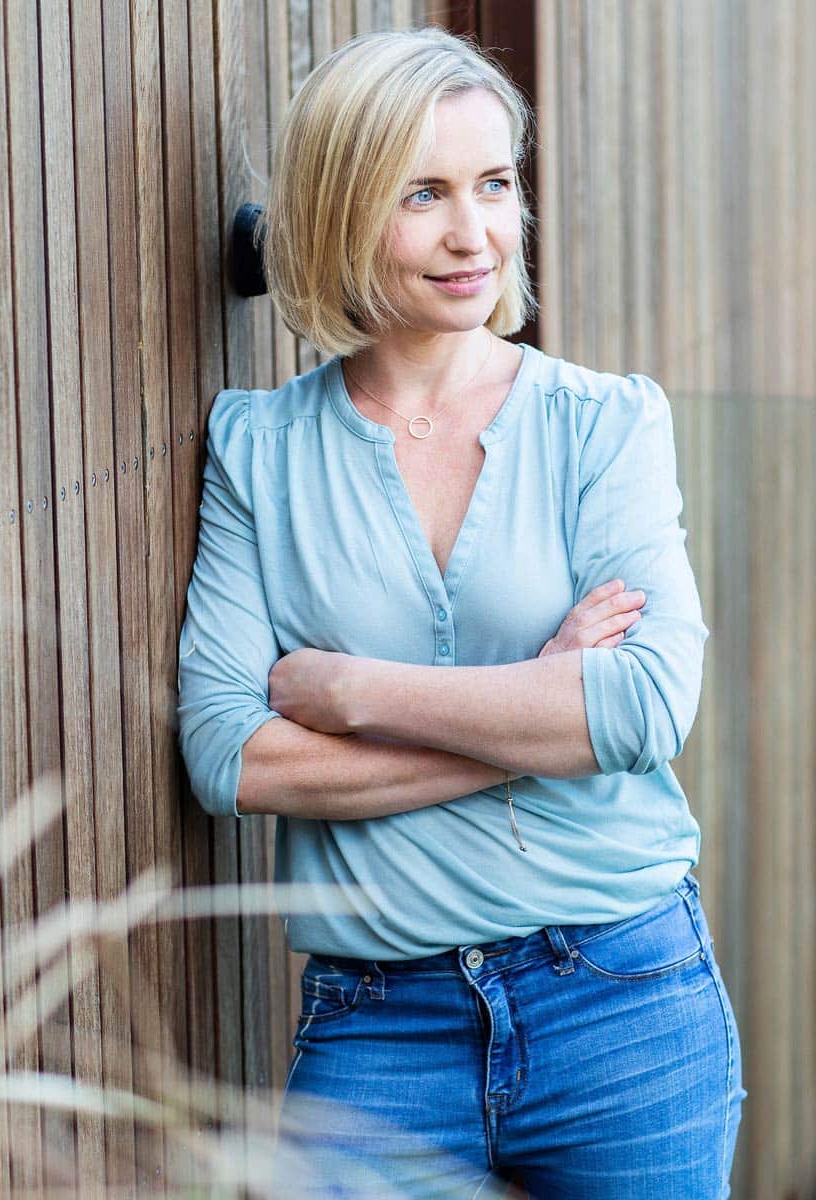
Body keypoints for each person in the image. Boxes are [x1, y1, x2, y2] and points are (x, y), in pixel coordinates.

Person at [176, 25, 744, 1200]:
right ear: (341, 210)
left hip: (624, 999)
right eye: (422, 194)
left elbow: (642, 710)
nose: (473, 233)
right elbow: (231, 756)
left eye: (494, 185)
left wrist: (353, 695)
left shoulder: (606, 425)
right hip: (378, 1024)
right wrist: (535, 706)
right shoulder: (258, 452)